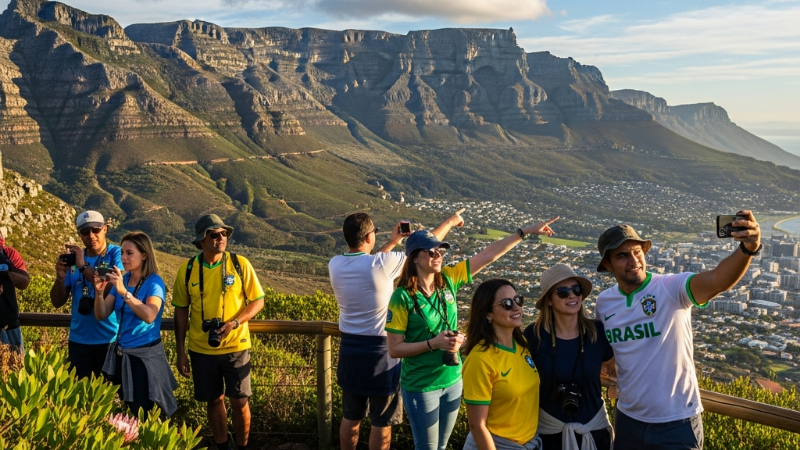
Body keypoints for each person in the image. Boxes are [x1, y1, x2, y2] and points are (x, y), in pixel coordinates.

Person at [386, 217, 559, 450]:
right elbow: (394, 349)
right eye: (431, 252)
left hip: (453, 379)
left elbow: (488, 256)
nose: (438, 255)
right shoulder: (402, 298)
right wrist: (433, 343)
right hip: (421, 384)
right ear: (415, 257)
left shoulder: (447, 280)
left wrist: (524, 232)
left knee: (443, 446)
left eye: (440, 251)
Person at [595, 212, 761, 450]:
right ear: (608, 265)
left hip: (677, 422)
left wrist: (748, 248)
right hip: (628, 419)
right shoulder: (605, 302)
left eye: (637, 251)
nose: (634, 260)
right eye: (622, 255)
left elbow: (717, 281)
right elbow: (609, 350)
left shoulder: (670, 288)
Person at [329, 211, 464, 450]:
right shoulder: (382, 264)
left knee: (351, 416)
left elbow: (368, 262)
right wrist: (451, 222)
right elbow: (423, 249)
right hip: (381, 351)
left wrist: (392, 242)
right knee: (382, 419)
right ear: (370, 237)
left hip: (349, 349)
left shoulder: (336, 264)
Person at [173, 214, 265, 450]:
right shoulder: (187, 269)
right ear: (201, 240)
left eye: (224, 233)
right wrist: (180, 352)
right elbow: (181, 312)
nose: (221, 238)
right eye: (214, 234)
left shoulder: (240, 264)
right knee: (213, 400)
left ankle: (243, 446)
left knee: (240, 401)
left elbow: (257, 301)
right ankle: (222, 446)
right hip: (201, 349)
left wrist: (234, 323)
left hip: (236, 345)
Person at [523, 264, 613, 450]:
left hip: (594, 433)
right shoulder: (534, 336)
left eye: (576, 290)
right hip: (549, 435)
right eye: (563, 292)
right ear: (549, 300)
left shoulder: (597, 332)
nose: (572, 295)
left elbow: (612, 372)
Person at [93, 231, 177, 417]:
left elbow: (150, 315)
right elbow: (101, 314)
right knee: (126, 412)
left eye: (129, 253)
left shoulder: (154, 282)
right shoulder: (124, 279)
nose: (124, 257)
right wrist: (99, 293)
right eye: (122, 252)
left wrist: (124, 293)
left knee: (143, 410)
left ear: (144, 255)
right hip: (122, 355)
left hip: (143, 357)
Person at [463, 279, 542, 450]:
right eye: (506, 303)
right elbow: (477, 425)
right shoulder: (481, 359)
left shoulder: (522, 346)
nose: (516, 307)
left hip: (530, 443)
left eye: (518, 300)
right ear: (487, 314)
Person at [50, 210, 123, 379]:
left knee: (111, 397)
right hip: (79, 341)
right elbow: (57, 302)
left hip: (110, 339)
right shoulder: (75, 261)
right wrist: (60, 279)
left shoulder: (115, 254)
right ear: (80, 235)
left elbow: (109, 288)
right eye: (85, 231)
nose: (91, 235)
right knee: (81, 398)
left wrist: (83, 266)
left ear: (105, 229)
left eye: (95, 230)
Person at [0, 230, 31, 354]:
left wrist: (6, 273)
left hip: (9, 325)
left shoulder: (9, 253)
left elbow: (24, 282)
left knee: (15, 369)